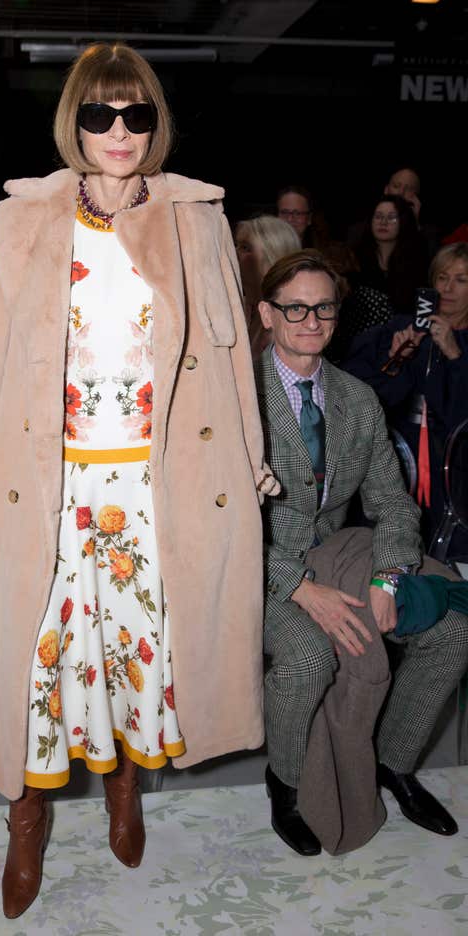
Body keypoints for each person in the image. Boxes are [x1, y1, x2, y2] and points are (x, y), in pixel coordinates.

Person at [0, 42, 275, 919]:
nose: (120, 131)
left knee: (143, 647)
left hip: (154, 477)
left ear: (155, 122)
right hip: (45, 481)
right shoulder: (27, 216)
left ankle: (126, 784)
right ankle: (27, 823)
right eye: (101, 114)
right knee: (35, 660)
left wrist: (247, 458)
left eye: (137, 114)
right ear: (76, 123)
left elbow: (230, 347)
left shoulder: (193, 215)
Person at [254, 249, 468, 856]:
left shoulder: (356, 398)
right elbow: (215, 528)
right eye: (294, 307)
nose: (310, 319)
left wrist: (389, 575)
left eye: (323, 306)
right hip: (259, 573)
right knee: (311, 654)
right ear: (268, 313)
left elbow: (395, 506)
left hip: (345, 557)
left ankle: (393, 765)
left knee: (454, 628)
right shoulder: (234, 400)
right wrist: (297, 586)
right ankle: (287, 784)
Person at [344, 242, 468, 553]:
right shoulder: (401, 328)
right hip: (398, 462)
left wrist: (454, 355)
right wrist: (395, 359)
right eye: (442, 277)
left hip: (454, 472)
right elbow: (363, 394)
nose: (449, 288)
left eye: (462, 280)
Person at [234, 214, 300, 357]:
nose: (234, 253)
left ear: (273, 256)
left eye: (245, 248)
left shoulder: (285, 322)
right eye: (236, 245)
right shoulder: (244, 307)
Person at [354, 194, 428, 316]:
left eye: (392, 217)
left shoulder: (416, 262)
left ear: (403, 221)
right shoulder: (354, 258)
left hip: (402, 331)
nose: (383, 222)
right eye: (378, 217)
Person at [276, 185, 329, 251]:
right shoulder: (263, 251)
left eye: (298, 213)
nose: (290, 219)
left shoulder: (323, 254)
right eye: (284, 212)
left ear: (309, 219)